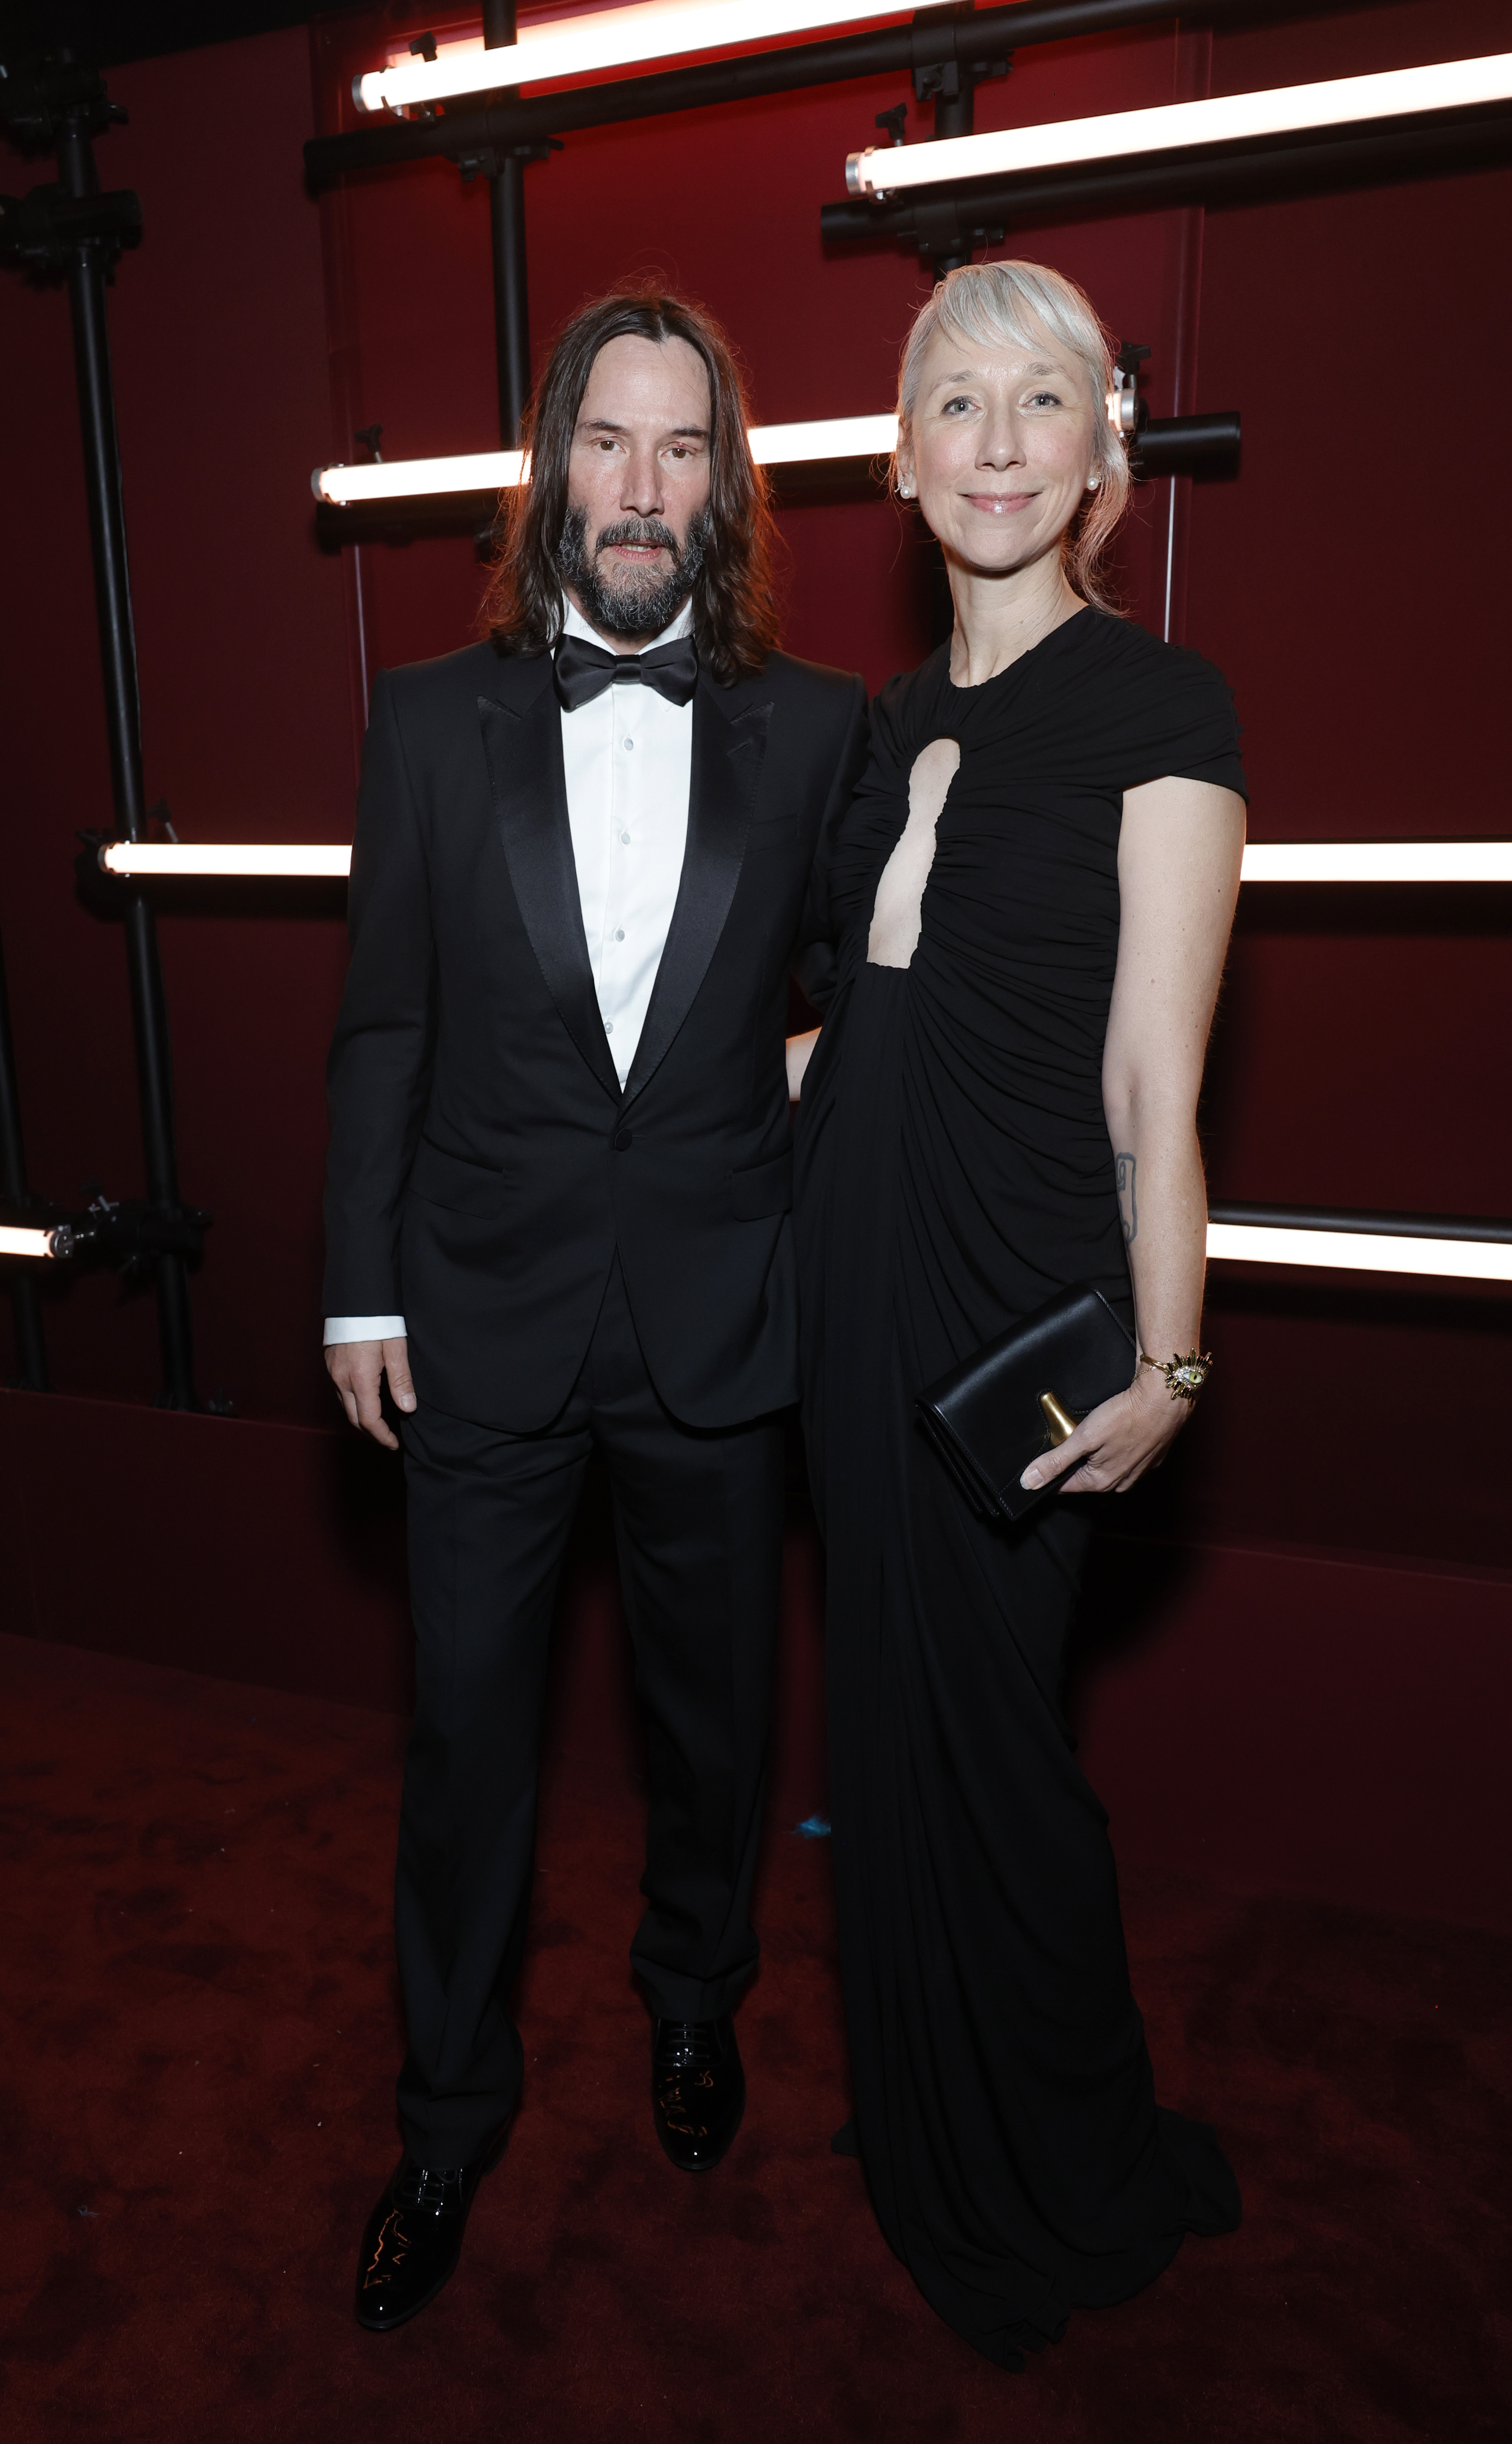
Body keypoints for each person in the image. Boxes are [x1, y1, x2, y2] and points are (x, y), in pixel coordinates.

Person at [323, 289, 866, 2332]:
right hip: (472, 1316)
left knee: (711, 1729)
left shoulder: (821, 729)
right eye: (608, 445)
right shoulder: (415, 721)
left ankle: (691, 2002)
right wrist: (353, 1289)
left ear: (726, 484)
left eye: (682, 450)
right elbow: (380, 1027)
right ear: (551, 467)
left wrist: (790, 1081)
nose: (641, 490)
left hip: (721, 1315)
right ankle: (446, 2118)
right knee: (465, 1738)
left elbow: (855, 989)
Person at [791, 260, 1247, 2369]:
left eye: (1037, 402)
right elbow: (856, 1026)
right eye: (953, 405)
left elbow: (1158, 1080)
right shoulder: (889, 731)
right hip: (847, 1291)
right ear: (901, 461)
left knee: (1009, 1773)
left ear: (1101, 455)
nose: (992, 443)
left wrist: (1169, 1361)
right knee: (881, 1749)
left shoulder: (1164, 709)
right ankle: (924, 2125)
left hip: (1019, 1319)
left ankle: (1057, 2155)